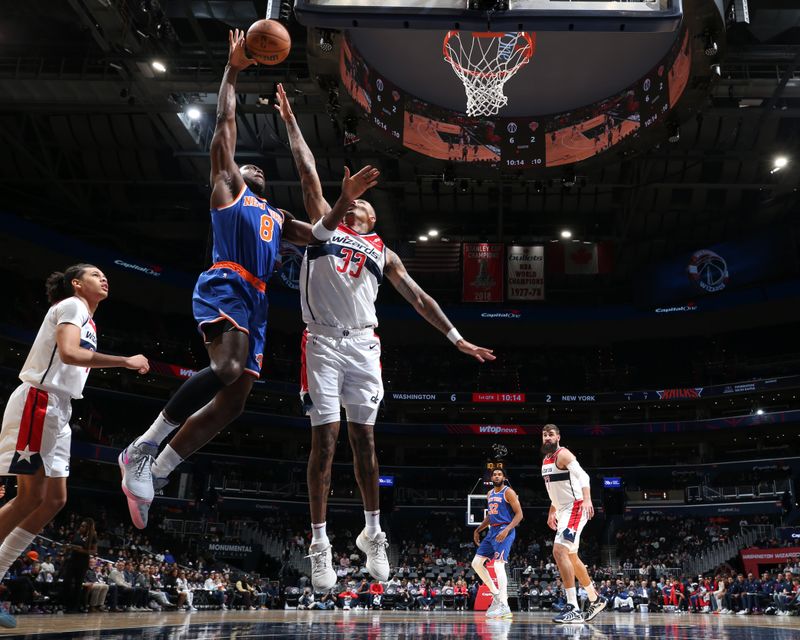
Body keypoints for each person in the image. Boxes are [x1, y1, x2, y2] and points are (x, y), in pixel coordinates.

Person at [275, 83, 495, 591]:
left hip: (365, 346)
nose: (360, 208)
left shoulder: (385, 253)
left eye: (365, 207)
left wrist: (455, 337)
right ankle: (319, 542)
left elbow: (420, 299)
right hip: (324, 343)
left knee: (365, 440)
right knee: (324, 442)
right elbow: (308, 169)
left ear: (373, 218)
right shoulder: (321, 229)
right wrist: (290, 121)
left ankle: (373, 532)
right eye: (353, 203)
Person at [118, 29, 312, 529]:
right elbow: (226, 122)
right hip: (227, 283)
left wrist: (326, 215)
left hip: (260, 301)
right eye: (245, 164)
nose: (249, 167)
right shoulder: (230, 190)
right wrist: (233, 70)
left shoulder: (277, 215)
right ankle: (143, 445)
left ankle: (158, 472)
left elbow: (324, 234)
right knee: (226, 370)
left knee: (234, 401)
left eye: (256, 166)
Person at [0, 264, 148, 628]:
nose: (104, 278)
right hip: (39, 401)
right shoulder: (72, 306)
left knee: (54, 500)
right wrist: (123, 361)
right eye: (95, 274)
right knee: (29, 498)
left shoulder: (88, 319)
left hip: (59, 409)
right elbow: (68, 353)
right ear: (76, 283)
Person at [541, 424, 607, 623]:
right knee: (571, 556)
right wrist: (552, 510)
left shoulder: (564, 454)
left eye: (551, 435)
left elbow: (583, 476)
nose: (547, 438)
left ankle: (573, 607)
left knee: (559, 551)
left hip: (576, 507)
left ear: (558, 437)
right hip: (563, 511)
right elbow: (555, 490)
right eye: (544, 435)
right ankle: (595, 599)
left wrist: (587, 498)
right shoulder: (545, 460)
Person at [471, 468, 523, 619]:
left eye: (499, 474)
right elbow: (490, 516)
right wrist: (478, 529)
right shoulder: (489, 494)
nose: (497, 476)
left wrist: (506, 530)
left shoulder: (509, 492)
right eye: (494, 474)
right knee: (476, 563)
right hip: (492, 531)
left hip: (505, 530)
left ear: (504, 477)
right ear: (491, 477)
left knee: (498, 565)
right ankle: (496, 595)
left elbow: (520, 514)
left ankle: (505, 605)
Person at [61, 518, 98, 612]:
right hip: (72, 560)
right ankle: (66, 604)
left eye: (83, 526)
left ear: (88, 528)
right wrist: (69, 547)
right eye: (81, 526)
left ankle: (75, 607)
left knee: (78, 585)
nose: (80, 527)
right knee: (67, 582)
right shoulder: (77, 534)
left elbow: (94, 551)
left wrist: (82, 550)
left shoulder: (92, 536)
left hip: (83, 562)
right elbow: (72, 544)